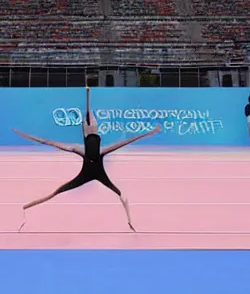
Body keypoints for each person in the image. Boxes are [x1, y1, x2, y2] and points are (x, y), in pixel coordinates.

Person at [13, 86, 160, 232]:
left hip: (98, 173)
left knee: (122, 196)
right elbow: (49, 142)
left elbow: (128, 140)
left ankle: (130, 223)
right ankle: (25, 208)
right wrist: (26, 136)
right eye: (89, 122)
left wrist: (150, 133)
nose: (92, 122)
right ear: (86, 130)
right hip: (86, 174)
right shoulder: (81, 148)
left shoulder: (93, 147)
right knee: (54, 193)